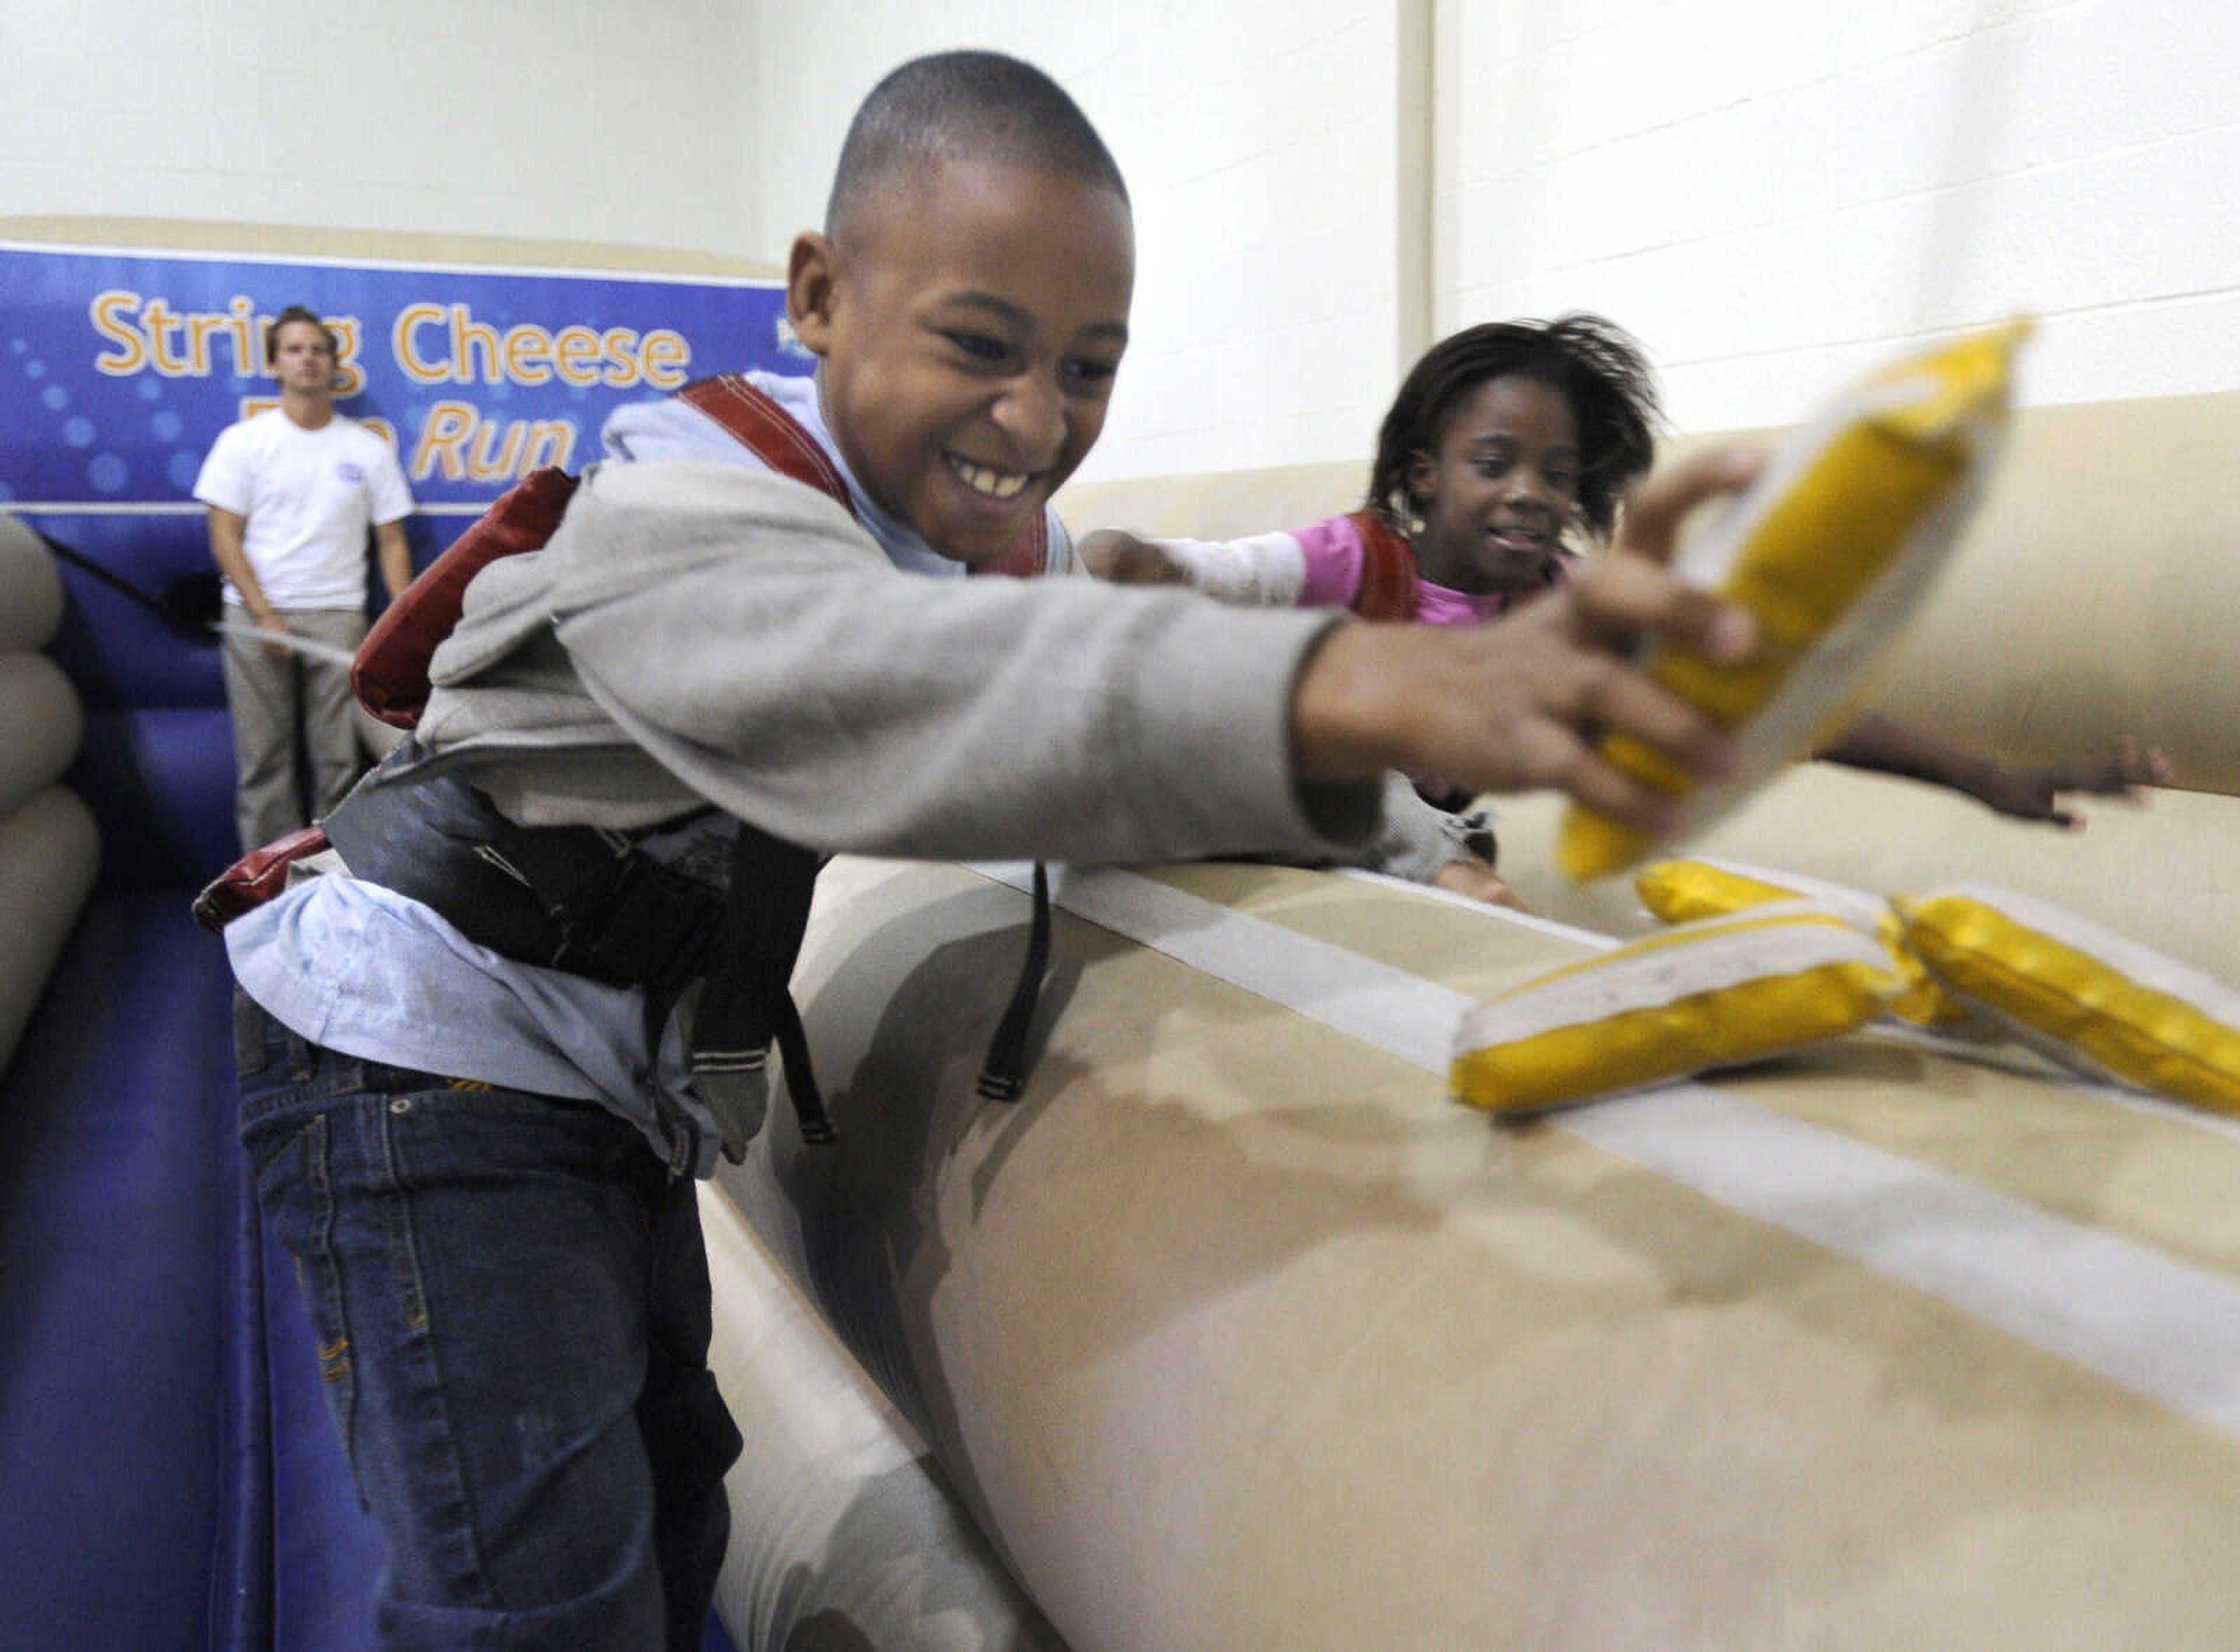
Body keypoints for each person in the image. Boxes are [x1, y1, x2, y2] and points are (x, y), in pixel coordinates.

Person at [222, 55, 1760, 1651]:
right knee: (533, 1600)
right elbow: (915, 687)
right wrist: (1384, 675)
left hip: (604, 1072)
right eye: (979, 345)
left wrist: (1424, 849)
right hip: (420, 1061)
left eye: (1088, 368)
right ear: (819, 294)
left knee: (678, 1499)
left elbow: (1119, 692)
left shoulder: (978, 550)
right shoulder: (682, 506)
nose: (1037, 422)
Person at [1083, 313, 2171, 846]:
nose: (1529, 495)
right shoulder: (1351, 561)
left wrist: (1985, 775)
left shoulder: (1570, 604)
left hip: (1427, 859)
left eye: (1557, 474)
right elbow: (1151, 567)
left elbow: (1778, 704)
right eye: (1494, 464)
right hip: (1292, 835)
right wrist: (1103, 586)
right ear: (1427, 474)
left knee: (1468, 861)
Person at [195, 303, 416, 852]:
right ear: (275, 364)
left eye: (318, 349)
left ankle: (330, 884)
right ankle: (267, 892)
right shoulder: (243, 442)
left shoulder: (366, 450)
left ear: (333, 365)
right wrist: (265, 615)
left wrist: (406, 620)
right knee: (265, 762)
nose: (308, 359)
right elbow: (224, 535)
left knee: (338, 761)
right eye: (295, 349)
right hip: (256, 619)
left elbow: (391, 540)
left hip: (339, 617)